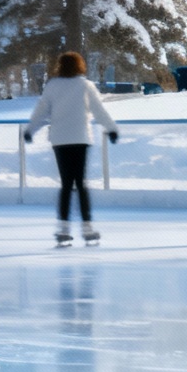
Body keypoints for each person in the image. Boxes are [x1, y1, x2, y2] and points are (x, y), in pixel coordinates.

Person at [23, 51, 120, 247]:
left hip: (60, 140)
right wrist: (111, 129)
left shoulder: (53, 86)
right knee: (80, 183)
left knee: (66, 184)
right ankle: (87, 228)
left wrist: (30, 130)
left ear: (60, 66)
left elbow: (41, 111)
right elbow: (98, 110)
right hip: (80, 138)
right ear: (79, 65)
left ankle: (64, 229)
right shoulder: (85, 85)